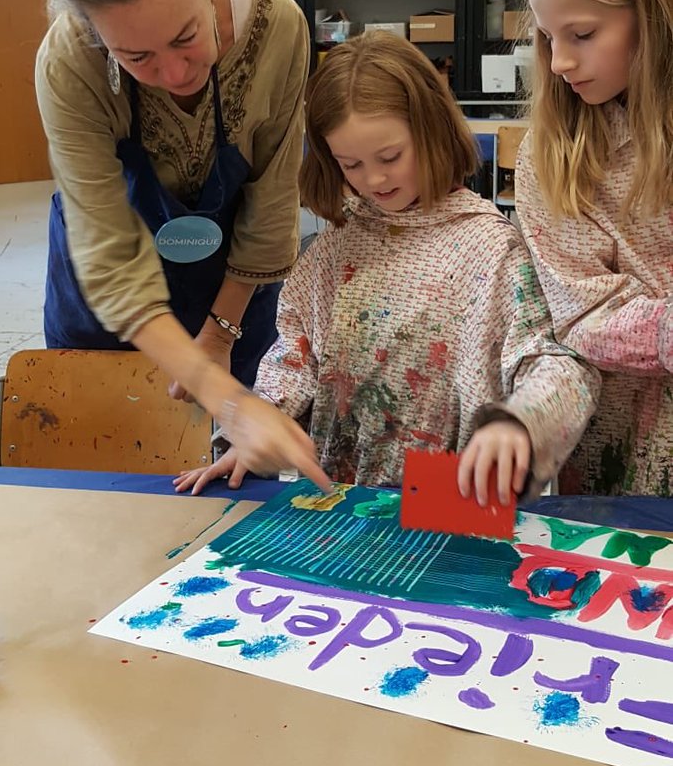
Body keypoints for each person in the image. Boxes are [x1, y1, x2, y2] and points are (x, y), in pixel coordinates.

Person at [175, 32, 599, 501]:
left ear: (431, 129)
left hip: (451, 504)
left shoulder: (492, 249)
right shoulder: (333, 250)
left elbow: (559, 367)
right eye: (350, 164)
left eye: (391, 157)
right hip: (340, 502)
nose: (373, 179)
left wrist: (522, 424)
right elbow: (295, 357)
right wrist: (256, 428)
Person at [35, 0, 329, 489]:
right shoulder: (70, 60)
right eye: (135, 57)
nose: (171, 74)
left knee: (226, 496)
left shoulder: (279, 28)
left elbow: (272, 199)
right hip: (110, 305)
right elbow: (109, 255)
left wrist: (220, 339)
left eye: (185, 38)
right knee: (99, 478)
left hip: (231, 285)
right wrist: (221, 394)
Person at [515, 0, 673, 496]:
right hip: (615, 462)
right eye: (548, 37)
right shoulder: (551, 153)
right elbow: (581, 319)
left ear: (655, 15)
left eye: (581, 34)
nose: (558, 62)